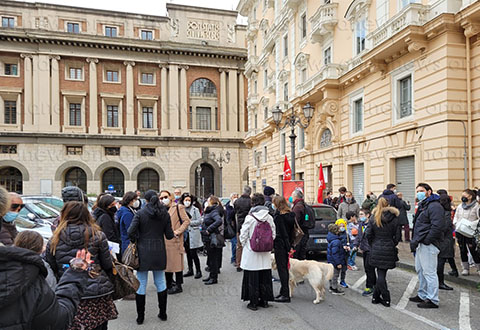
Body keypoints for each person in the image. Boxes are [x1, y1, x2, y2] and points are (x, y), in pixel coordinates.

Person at [46, 201, 117, 330]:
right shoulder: (98, 235)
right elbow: (107, 264)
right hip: (97, 290)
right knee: (99, 325)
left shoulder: (54, 239)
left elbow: (51, 266)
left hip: (69, 290)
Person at [127, 190, 175, 324]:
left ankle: (140, 317)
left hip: (143, 251)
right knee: (160, 281)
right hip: (159, 250)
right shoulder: (164, 214)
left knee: (141, 283)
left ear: (145, 200)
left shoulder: (140, 213)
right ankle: (163, 313)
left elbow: (130, 231)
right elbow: (169, 235)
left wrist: (136, 239)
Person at [409, 183, 444, 309]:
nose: (419, 193)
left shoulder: (434, 206)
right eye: (417, 191)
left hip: (428, 244)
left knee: (429, 272)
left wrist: (428, 240)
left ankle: (432, 299)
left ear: (429, 191)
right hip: (420, 243)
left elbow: (437, 226)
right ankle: (422, 294)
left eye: (422, 191)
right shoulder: (424, 205)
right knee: (420, 270)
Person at [240, 193, 275, 311]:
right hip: (265, 252)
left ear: (253, 203)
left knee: (252, 278)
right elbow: (273, 234)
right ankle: (264, 300)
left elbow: (243, 234)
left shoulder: (250, 217)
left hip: (252, 251)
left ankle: (253, 302)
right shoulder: (269, 217)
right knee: (264, 276)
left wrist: (246, 244)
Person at [366, 197, 400, 307]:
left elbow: (368, 234)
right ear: (389, 204)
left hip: (376, 246)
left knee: (380, 274)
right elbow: (398, 236)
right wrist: (392, 243)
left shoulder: (373, 217)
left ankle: (380, 297)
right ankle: (381, 298)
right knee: (382, 273)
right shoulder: (394, 218)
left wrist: (373, 244)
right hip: (388, 246)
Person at [162, 190, 190, 294]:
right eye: (161, 198)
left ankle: (179, 285)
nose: (163, 199)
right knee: (167, 264)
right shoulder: (161, 209)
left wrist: (178, 231)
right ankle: (169, 283)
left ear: (170, 196)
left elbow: (187, 221)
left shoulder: (178, 207)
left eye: (165, 196)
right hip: (164, 240)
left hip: (175, 239)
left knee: (177, 264)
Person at [272, 195, 295, 303]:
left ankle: (285, 294)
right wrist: (290, 246)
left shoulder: (279, 217)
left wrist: (287, 247)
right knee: (284, 269)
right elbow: (291, 233)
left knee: (282, 270)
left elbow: (283, 234)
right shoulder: (290, 215)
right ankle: (283, 291)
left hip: (281, 245)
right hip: (288, 244)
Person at [453, 189, 480, 275]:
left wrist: (472, 224)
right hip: (460, 231)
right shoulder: (460, 206)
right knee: (462, 249)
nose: (463, 197)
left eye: (465, 195)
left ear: (470, 196)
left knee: (473, 250)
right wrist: (456, 223)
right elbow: (456, 216)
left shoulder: (476, 206)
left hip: (470, 231)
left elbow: (479, 219)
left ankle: (478, 268)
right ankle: (465, 268)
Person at [201, 196, 225, 285]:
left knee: (213, 258)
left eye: (208, 201)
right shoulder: (211, 210)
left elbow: (218, 221)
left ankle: (214, 277)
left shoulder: (214, 211)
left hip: (212, 237)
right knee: (211, 257)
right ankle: (211, 276)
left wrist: (209, 230)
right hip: (208, 238)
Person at [436, 190, 456, 290]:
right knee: (441, 261)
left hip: (441, 239)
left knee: (441, 260)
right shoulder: (446, 212)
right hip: (445, 240)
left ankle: (440, 281)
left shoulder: (440, 211)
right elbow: (445, 226)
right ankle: (440, 282)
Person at [180, 193, 203, 279]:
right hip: (185, 234)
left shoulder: (195, 209)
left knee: (194, 253)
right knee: (188, 253)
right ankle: (190, 270)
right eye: (186, 200)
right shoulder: (181, 209)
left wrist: (189, 223)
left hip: (193, 233)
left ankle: (198, 270)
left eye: (189, 200)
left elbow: (199, 220)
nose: (187, 202)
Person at [355, 209, 376, 296]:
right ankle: (374, 285)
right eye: (359, 215)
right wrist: (355, 245)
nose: (360, 216)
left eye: (362, 214)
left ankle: (370, 286)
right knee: (367, 268)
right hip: (364, 249)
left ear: (368, 215)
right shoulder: (361, 224)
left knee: (369, 268)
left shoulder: (372, 225)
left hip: (370, 249)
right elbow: (359, 236)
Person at [234, 186, 252, 272]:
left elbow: (234, 213)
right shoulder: (251, 201)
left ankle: (238, 264)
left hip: (240, 225)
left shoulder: (237, 201)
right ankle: (248, 263)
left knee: (239, 246)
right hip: (249, 226)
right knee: (249, 245)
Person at [327, 223, 347, 295]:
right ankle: (334, 288)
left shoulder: (331, 239)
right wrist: (338, 263)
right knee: (335, 275)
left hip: (331, 261)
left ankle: (331, 286)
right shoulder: (336, 241)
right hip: (335, 262)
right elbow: (335, 253)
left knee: (331, 274)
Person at [291, 189, 309, 260]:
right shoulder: (303, 204)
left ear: (296, 197)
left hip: (299, 234)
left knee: (297, 255)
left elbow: (295, 221)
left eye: (292, 196)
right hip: (304, 232)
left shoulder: (297, 207)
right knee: (302, 254)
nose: (291, 198)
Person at [334, 218, 349, 288]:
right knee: (336, 270)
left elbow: (349, 242)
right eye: (340, 226)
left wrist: (349, 247)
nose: (342, 227)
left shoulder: (346, 234)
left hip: (345, 254)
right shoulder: (335, 235)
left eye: (343, 226)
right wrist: (342, 247)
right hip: (339, 254)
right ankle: (334, 282)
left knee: (344, 269)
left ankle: (342, 280)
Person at [225, 193, 238, 265]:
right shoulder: (228, 206)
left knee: (237, 243)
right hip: (232, 227)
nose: (235, 198)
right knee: (234, 243)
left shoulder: (239, 205)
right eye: (234, 197)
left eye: (236, 197)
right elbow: (229, 216)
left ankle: (236, 258)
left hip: (238, 226)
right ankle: (233, 258)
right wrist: (234, 208)